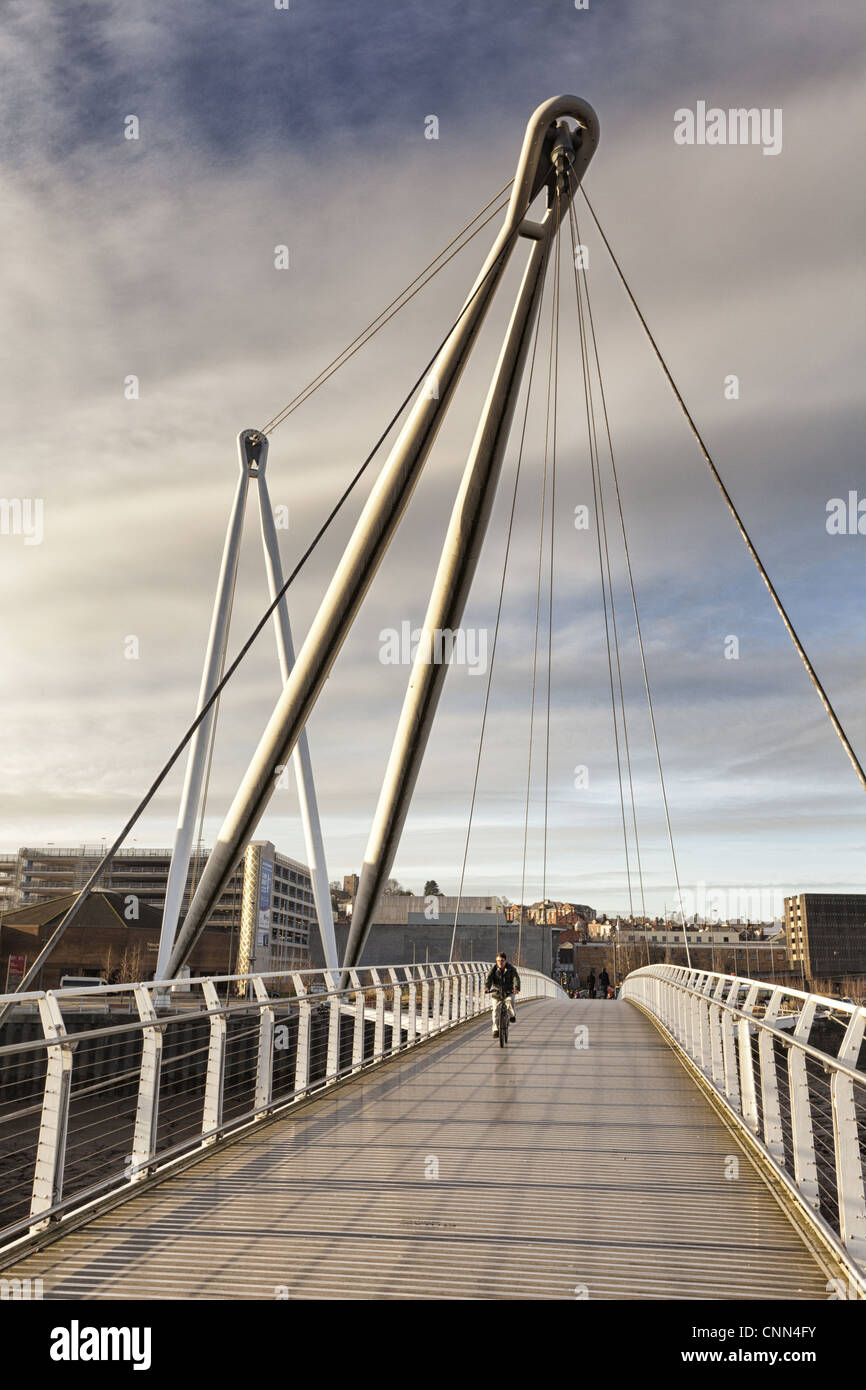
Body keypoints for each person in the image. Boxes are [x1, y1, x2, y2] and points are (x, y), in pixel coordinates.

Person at [485, 952, 521, 1036]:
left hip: (508, 991)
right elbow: (489, 979)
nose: (500, 962)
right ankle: (495, 1030)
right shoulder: (493, 969)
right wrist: (487, 988)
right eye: (498, 961)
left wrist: (516, 988)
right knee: (495, 1011)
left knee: (510, 1001)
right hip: (497, 993)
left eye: (502, 960)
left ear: (505, 961)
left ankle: (512, 1015)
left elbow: (516, 978)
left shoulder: (511, 969)